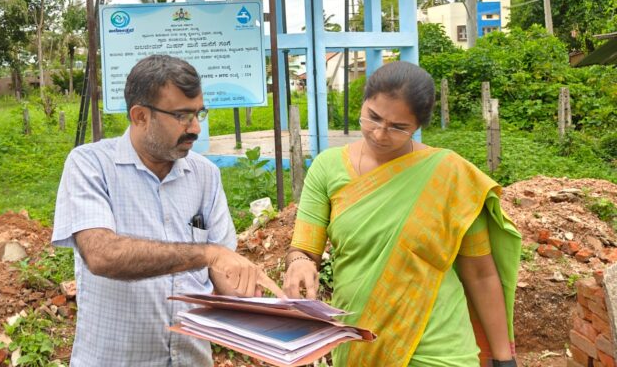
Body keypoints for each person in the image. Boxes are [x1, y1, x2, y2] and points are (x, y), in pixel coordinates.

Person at [283, 61, 521, 367]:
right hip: (360, 341)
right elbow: (303, 248)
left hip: (440, 347)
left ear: (418, 126)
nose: (380, 133)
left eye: (398, 127)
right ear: (363, 103)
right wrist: (300, 263)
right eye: (373, 117)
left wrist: (504, 360)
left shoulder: (449, 174)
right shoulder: (327, 168)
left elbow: (480, 272)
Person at [52, 54, 283, 366]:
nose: (196, 128)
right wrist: (206, 254)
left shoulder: (205, 174)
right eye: (182, 116)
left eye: (199, 113)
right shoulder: (90, 165)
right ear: (140, 116)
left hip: (191, 359)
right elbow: (102, 254)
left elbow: (220, 272)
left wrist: (244, 292)